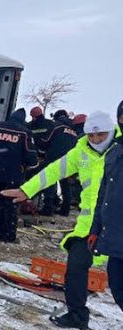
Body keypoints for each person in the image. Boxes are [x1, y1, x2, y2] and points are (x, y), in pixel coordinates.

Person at [2, 111, 117, 329]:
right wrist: (27, 190)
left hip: (117, 224)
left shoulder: (119, 151)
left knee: (118, 281)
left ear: (110, 132)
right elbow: (54, 171)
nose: (96, 141)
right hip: (89, 226)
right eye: (91, 136)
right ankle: (77, 315)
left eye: (101, 135)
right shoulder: (81, 152)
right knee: (75, 268)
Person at [89, 103, 123, 313]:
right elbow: (104, 197)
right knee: (118, 288)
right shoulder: (115, 152)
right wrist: (95, 229)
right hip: (115, 238)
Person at [0, 108, 38, 243]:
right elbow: (32, 157)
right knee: (11, 204)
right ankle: (8, 235)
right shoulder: (24, 132)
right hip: (13, 175)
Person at [36, 109, 78, 216]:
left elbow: (46, 141)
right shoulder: (74, 130)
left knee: (49, 182)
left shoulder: (56, 126)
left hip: (54, 159)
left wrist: (41, 154)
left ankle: (48, 208)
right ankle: (65, 210)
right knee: (65, 186)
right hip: (69, 160)